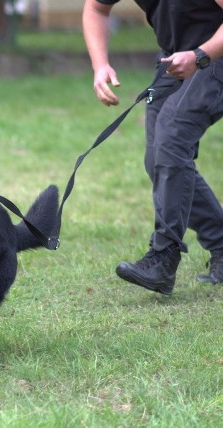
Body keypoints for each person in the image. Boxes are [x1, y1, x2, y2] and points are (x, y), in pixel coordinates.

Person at [82, 0, 223, 294]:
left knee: (172, 134)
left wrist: (200, 55)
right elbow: (96, 7)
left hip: (215, 54)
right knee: (158, 158)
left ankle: (163, 255)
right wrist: (100, 65)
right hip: (175, 59)